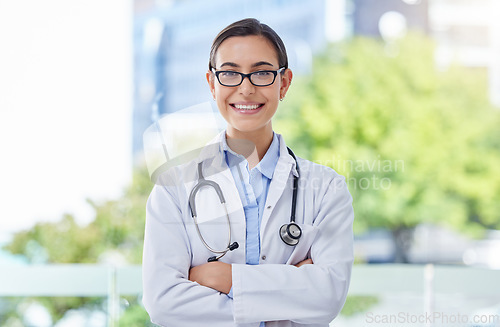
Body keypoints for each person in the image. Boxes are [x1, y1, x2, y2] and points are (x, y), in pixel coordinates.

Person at [142, 18, 354, 327]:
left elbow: (327, 298)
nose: (246, 87)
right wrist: (287, 294)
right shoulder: (173, 189)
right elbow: (163, 305)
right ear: (212, 84)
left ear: (283, 83)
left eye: (262, 72)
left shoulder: (326, 187)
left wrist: (225, 278)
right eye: (229, 73)